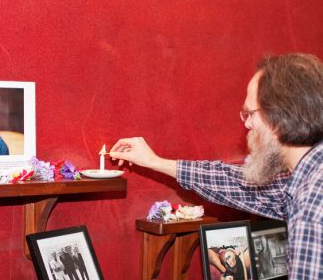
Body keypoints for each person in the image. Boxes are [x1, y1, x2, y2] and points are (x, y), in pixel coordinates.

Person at [110, 53, 323, 279]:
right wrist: (155, 162)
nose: (247, 124)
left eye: (250, 113)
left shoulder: (311, 205)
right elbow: (238, 184)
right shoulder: (306, 177)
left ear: (280, 117)